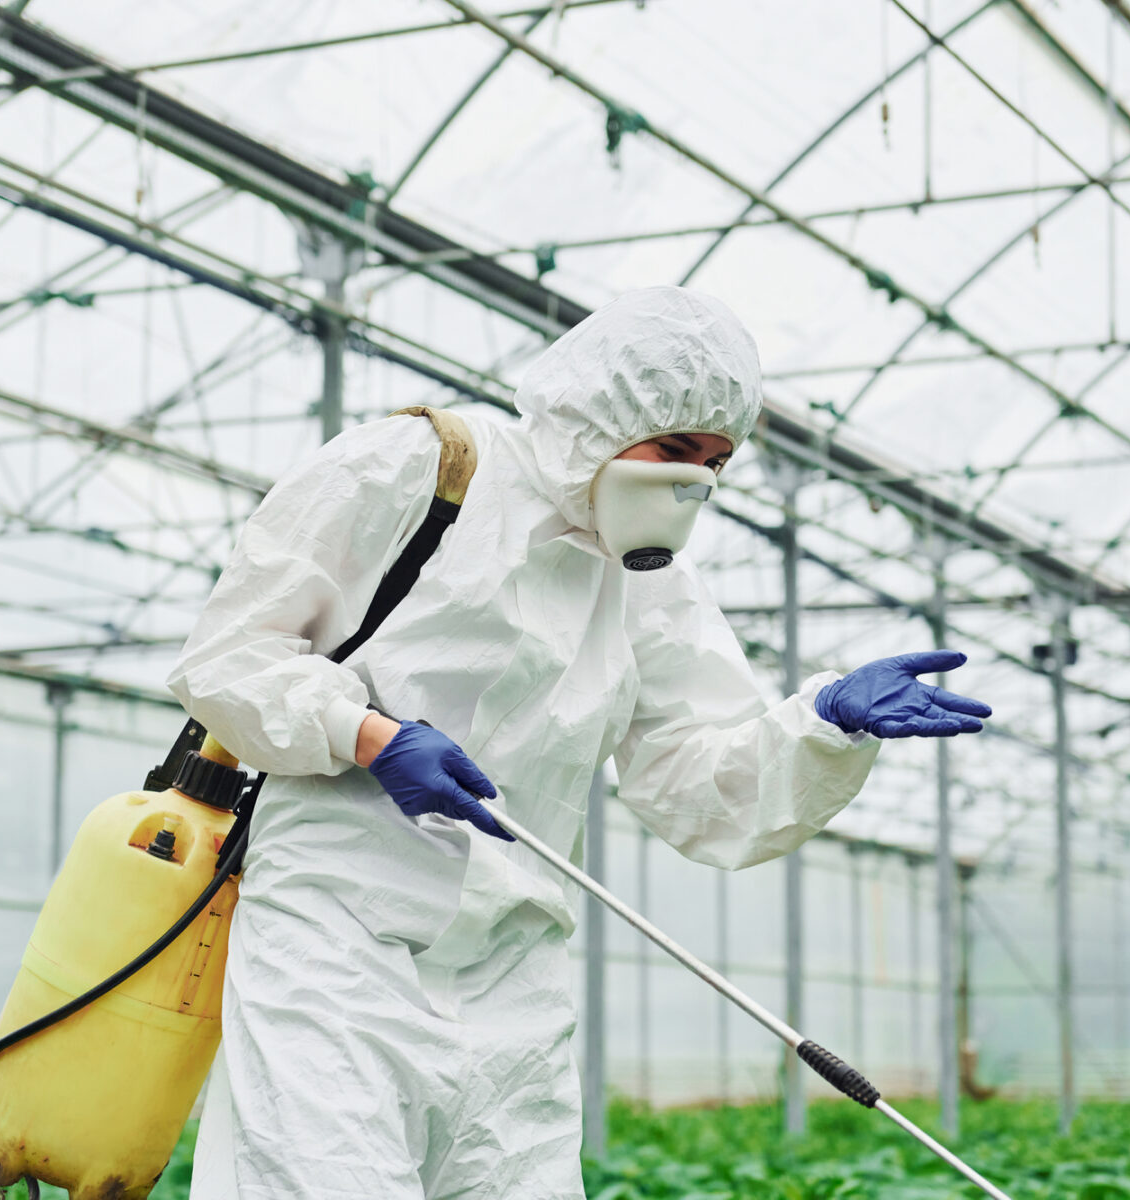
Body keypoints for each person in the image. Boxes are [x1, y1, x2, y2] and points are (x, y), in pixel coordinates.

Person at [168, 286, 990, 1199]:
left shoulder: (652, 588)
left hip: (513, 972)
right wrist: (367, 734)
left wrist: (824, 721)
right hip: (337, 942)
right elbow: (230, 654)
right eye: (674, 450)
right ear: (604, 412)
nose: (693, 483)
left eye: (715, 463)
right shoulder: (422, 467)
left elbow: (693, 784)